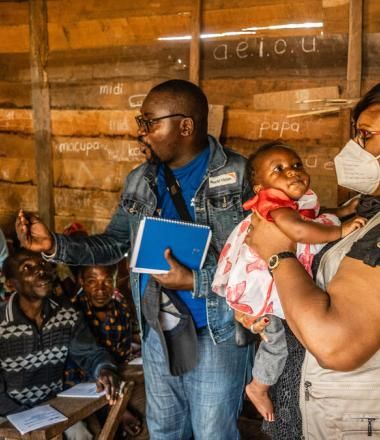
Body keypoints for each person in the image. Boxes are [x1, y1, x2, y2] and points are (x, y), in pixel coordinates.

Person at [15, 79, 252, 440]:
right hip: (160, 329)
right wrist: (55, 246)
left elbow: (260, 261)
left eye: (149, 123)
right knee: (166, 430)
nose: (141, 133)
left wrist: (195, 281)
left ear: (185, 126)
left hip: (215, 333)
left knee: (212, 433)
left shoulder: (239, 177)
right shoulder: (141, 180)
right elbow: (113, 244)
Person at [238, 84, 380, 439]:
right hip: (323, 409)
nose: (355, 148)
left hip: (350, 419)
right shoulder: (369, 210)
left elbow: (335, 345)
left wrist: (278, 253)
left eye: (365, 135)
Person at [212, 142, 364, 422]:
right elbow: (298, 228)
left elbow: (312, 216)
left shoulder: (292, 201)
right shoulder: (273, 203)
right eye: (279, 169)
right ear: (259, 188)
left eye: (296, 165)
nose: (292, 173)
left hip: (273, 275)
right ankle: (258, 386)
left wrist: (342, 211)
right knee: (276, 341)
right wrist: (340, 230)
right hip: (263, 284)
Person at [0, 249, 122, 439]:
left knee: (84, 435)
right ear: (10, 283)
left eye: (43, 265)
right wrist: (33, 420)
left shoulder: (66, 313)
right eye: (27, 268)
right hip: (8, 415)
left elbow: (90, 353)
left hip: (53, 408)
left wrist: (104, 369)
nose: (41, 272)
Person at [64, 264, 144, 438]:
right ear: (81, 281)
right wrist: (119, 409)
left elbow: (123, 354)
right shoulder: (71, 313)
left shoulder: (121, 308)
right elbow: (78, 369)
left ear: (115, 280)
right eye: (92, 281)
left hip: (116, 381)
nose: (101, 289)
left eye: (107, 281)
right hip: (81, 390)